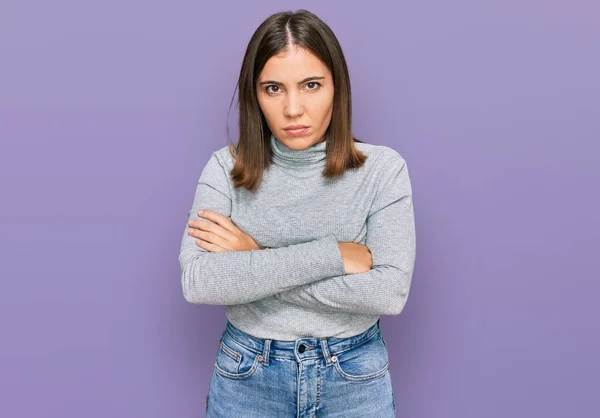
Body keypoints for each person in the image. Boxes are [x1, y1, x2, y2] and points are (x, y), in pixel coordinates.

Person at [178, 9, 416, 417]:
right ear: (255, 94)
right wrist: (334, 256)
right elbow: (198, 282)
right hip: (247, 377)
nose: (293, 109)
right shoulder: (225, 169)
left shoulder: (382, 169)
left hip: (354, 375)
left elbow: (387, 292)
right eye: (273, 88)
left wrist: (252, 254)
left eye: (311, 85)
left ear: (336, 87)